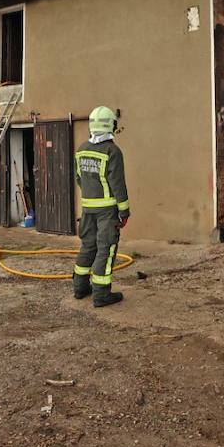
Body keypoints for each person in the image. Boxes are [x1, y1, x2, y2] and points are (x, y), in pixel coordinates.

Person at [72, 105, 130, 308]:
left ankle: (80, 288)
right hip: (107, 212)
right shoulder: (112, 151)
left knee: (88, 246)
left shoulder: (81, 149)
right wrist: (124, 211)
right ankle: (101, 294)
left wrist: (90, 194)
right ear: (111, 125)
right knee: (106, 249)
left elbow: (79, 178)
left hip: (88, 210)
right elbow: (118, 185)